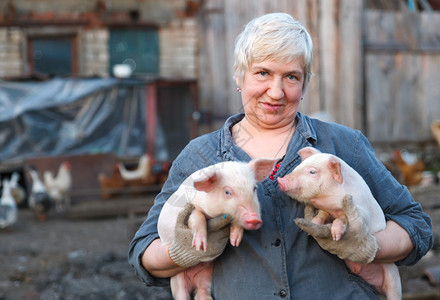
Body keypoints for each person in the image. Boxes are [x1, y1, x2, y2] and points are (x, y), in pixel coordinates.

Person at [129, 12, 432, 299]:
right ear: (239, 76)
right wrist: (185, 249)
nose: (276, 92)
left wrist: (367, 246)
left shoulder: (342, 146)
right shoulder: (200, 158)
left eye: (291, 77)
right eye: (263, 73)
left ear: (305, 83)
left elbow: (415, 225)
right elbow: (144, 253)